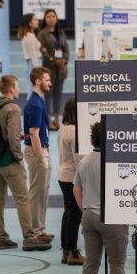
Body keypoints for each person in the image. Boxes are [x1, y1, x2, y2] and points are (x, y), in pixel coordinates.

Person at [74, 122, 128, 274]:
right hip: (112, 217)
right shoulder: (116, 161)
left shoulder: (84, 161)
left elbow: (76, 189)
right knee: (117, 263)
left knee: (91, 263)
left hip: (89, 216)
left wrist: (86, 210)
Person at [0, 75, 47, 251]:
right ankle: (29, 236)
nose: (19, 89)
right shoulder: (13, 108)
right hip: (9, 160)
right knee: (23, 198)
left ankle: (1, 237)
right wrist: (19, 158)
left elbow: (3, 132)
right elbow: (13, 139)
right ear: (12, 88)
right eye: (17, 86)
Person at [23, 67, 54, 244]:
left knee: (43, 193)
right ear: (38, 81)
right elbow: (33, 134)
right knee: (36, 193)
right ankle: (34, 231)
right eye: (47, 80)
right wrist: (41, 157)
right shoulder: (34, 104)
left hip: (43, 148)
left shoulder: (39, 100)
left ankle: (40, 228)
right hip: (37, 151)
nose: (50, 83)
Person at [57, 96, 83, 264]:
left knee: (68, 213)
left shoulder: (63, 128)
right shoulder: (74, 132)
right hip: (72, 176)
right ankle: (73, 252)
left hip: (63, 175)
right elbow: (78, 160)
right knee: (75, 215)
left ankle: (66, 250)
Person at [37, 9, 67, 129]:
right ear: (45, 19)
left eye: (53, 16)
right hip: (48, 69)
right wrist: (54, 61)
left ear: (56, 18)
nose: (51, 18)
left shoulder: (61, 32)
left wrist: (64, 61)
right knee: (48, 96)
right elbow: (42, 51)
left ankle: (57, 120)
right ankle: (48, 121)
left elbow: (66, 49)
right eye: (48, 16)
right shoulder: (41, 34)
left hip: (61, 69)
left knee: (58, 95)